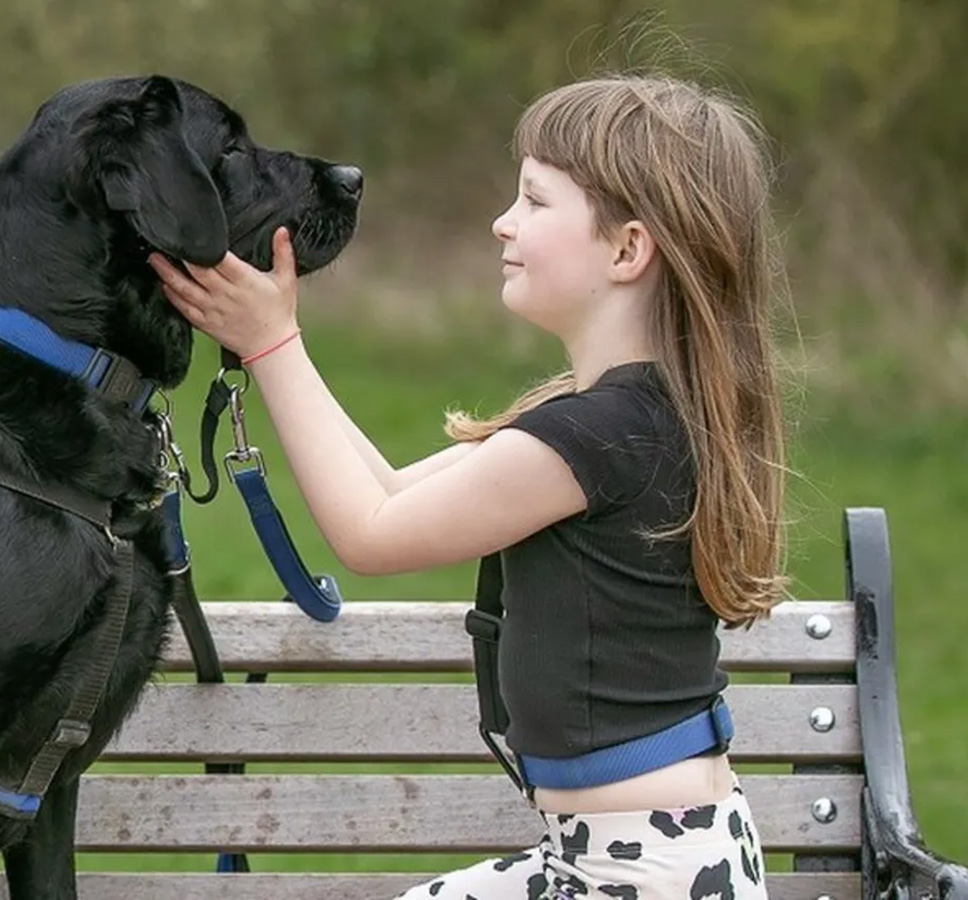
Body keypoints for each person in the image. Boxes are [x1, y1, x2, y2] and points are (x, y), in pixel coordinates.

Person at [150, 72, 787, 900]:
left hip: (640, 873)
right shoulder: (620, 416)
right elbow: (390, 491)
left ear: (627, 250)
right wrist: (281, 340)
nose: (502, 222)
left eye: (534, 201)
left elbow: (372, 534)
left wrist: (271, 347)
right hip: (648, 856)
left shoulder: (594, 437)